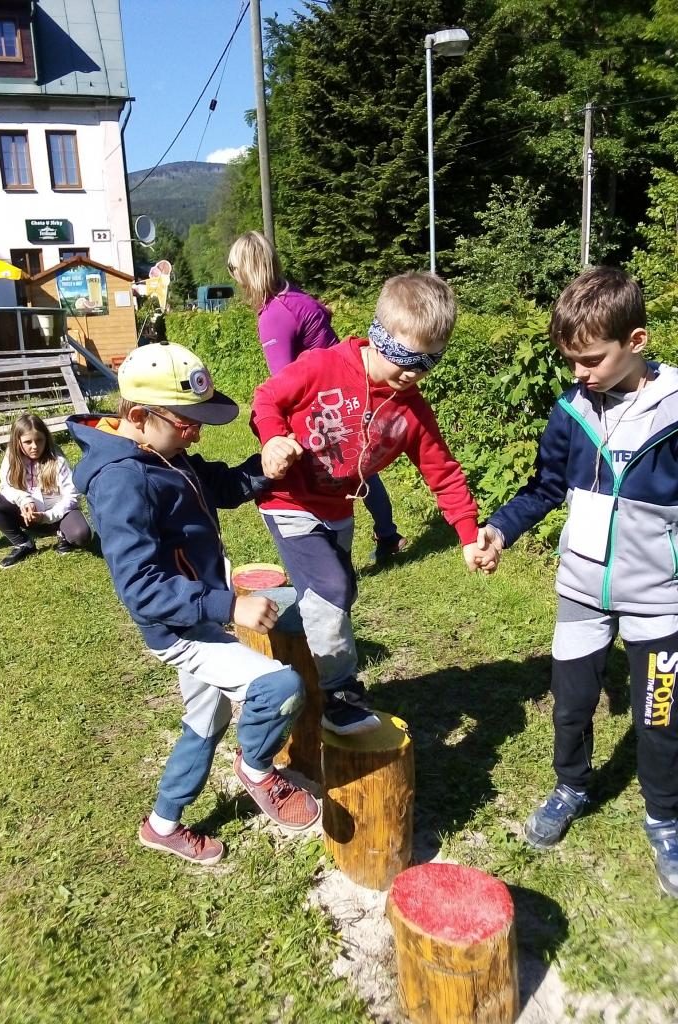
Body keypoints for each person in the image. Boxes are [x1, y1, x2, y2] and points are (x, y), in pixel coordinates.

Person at [67, 342, 319, 865]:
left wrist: (266, 467)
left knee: (207, 719)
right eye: (187, 423)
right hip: (179, 627)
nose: (197, 433)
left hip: (194, 613)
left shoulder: (164, 453)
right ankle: (256, 769)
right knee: (279, 686)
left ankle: (162, 825)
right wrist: (228, 607)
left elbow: (218, 485)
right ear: (140, 416)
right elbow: (141, 587)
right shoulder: (122, 481)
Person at [478, 266, 678, 898]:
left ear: (637, 341)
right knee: (570, 705)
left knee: (659, 717)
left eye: (591, 360)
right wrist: (499, 530)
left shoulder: (675, 412)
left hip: (661, 601)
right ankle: (570, 786)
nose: (580, 373)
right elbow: (544, 487)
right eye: (571, 361)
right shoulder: (571, 410)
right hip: (581, 594)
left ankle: (665, 821)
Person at [250, 271, 497, 736]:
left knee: (338, 590)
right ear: (380, 335)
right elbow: (267, 397)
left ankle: (292, 648)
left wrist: (468, 534)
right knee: (331, 588)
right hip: (289, 501)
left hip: (338, 509)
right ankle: (339, 696)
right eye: (405, 358)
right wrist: (273, 439)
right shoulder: (323, 366)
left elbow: (442, 471)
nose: (413, 373)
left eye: (429, 362)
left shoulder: (411, 409)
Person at [227, 230, 407, 563]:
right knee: (361, 466)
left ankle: (320, 543)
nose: (233, 276)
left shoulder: (275, 314)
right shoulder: (295, 297)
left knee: (334, 471)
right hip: (352, 389)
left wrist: (276, 435)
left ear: (247, 269)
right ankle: (387, 535)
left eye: (233, 268)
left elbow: (284, 382)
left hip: (326, 400)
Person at [0, 413, 91, 569]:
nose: (34, 446)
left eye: (39, 440)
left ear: (46, 438)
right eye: (28, 442)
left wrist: (48, 516)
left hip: (57, 516)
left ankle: (63, 534)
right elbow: (6, 486)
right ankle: (24, 543)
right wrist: (24, 500)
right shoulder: (12, 458)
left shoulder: (57, 460)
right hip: (28, 516)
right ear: (17, 442)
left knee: (82, 535)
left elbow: (72, 495)